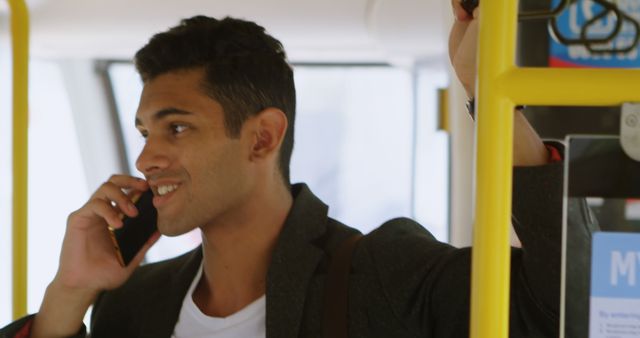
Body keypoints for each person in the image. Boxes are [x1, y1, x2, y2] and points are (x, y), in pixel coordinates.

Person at [2, 1, 576, 337]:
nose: (147, 157)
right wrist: (68, 294)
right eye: (145, 132)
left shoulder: (383, 273)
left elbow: (561, 309)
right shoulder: (133, 305)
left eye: (176, 127)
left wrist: (485, 90)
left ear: (262, 138)